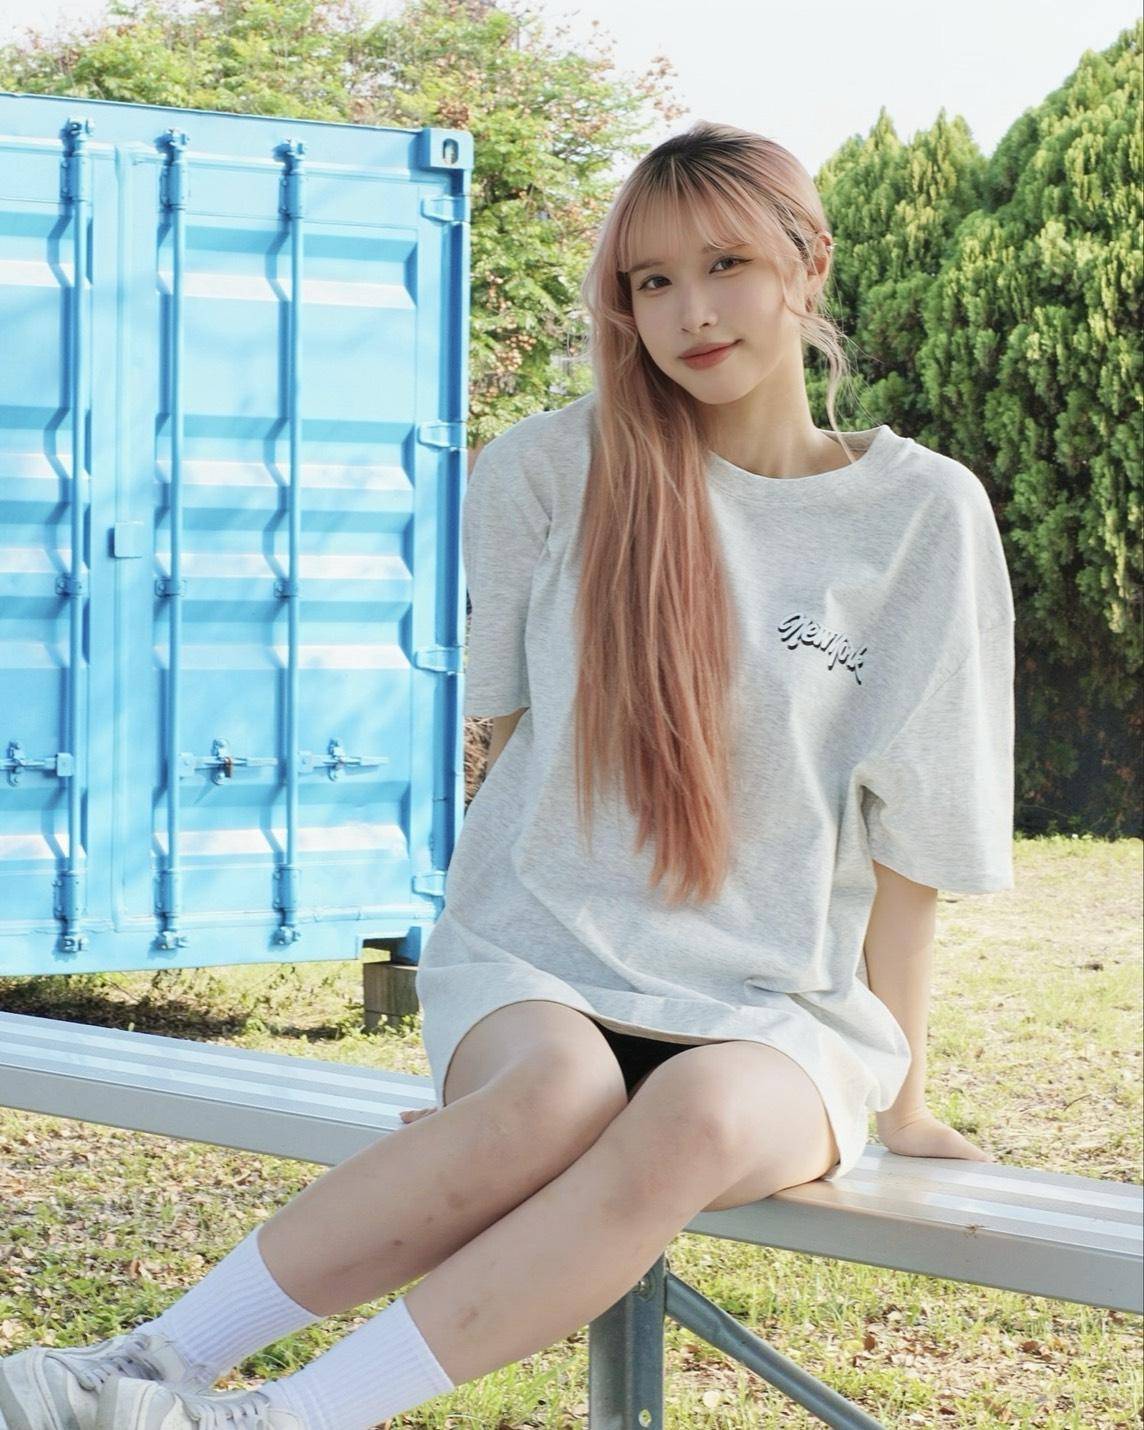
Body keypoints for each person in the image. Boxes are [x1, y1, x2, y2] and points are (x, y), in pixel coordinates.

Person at [0, 118, 1015, 1430]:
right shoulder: (549, 467)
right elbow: (500, 747)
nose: (693, 313)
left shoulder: (924, 515)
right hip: (540, 957)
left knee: (696, 1114)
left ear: (807, 264)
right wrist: (477, 1071)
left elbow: (916, 832)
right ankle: (143, 1367)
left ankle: (282, 1421)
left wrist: (907, 1096)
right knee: (556, 1094)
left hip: (777, 1007)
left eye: (726, 265)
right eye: (652, 281)